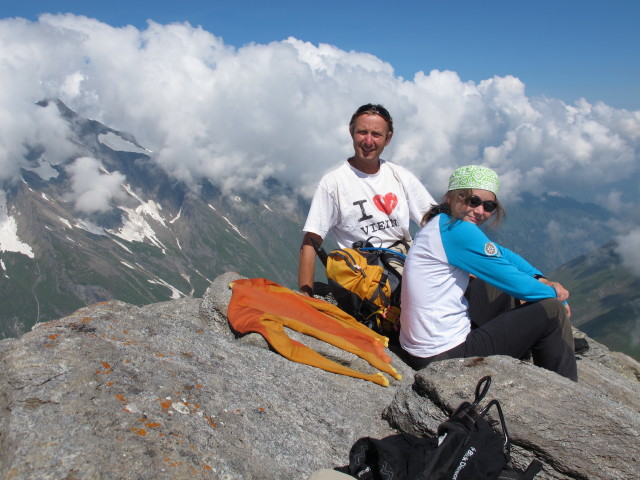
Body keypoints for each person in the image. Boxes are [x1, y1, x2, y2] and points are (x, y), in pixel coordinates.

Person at [399, 165, 578, 381]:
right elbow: (518, 285)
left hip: (422, 348)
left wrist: (540, 278)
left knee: (489, 285)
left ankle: (538, 339)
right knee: (551, 310)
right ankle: (563, 392)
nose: (480, 211)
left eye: (489, 205)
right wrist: (556, 297)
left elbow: (501, 253)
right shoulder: (459, 230)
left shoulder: (442, 223)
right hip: (444, 356)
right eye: (473, 201)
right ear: (452, 197)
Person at [298, 104, 435, 296]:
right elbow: (310, 242)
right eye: (362, 132)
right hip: (366, 275)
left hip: (405, 264)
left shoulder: (401, 176)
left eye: (376, 134)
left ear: (388, 138)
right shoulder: (334, 183)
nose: (368, 141)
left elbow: (435, 222)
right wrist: (305, 296)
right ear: (351, 132)